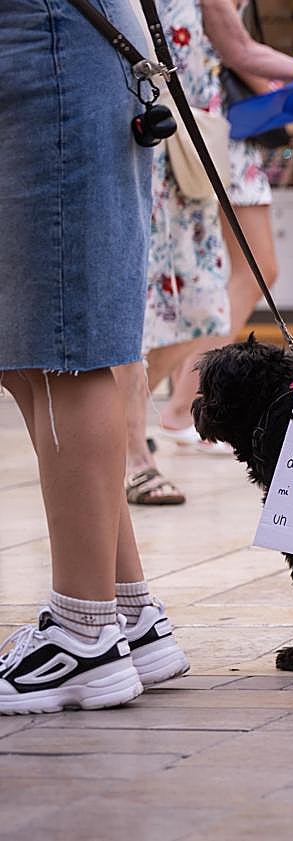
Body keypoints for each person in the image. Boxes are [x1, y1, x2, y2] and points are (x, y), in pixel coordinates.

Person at [0, 0, 188, 714]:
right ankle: (126, 612)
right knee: (29, 346)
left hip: (48, 37)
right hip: (46, 40)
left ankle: (83, 635)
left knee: (63, 344)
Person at [119, 0, 293, 503]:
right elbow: (234, 47)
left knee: (203, 308)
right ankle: (131, 450)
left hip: (195, 148)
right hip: (156, 146)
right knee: (151, 312)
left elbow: (228, 49)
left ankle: (120, 423)